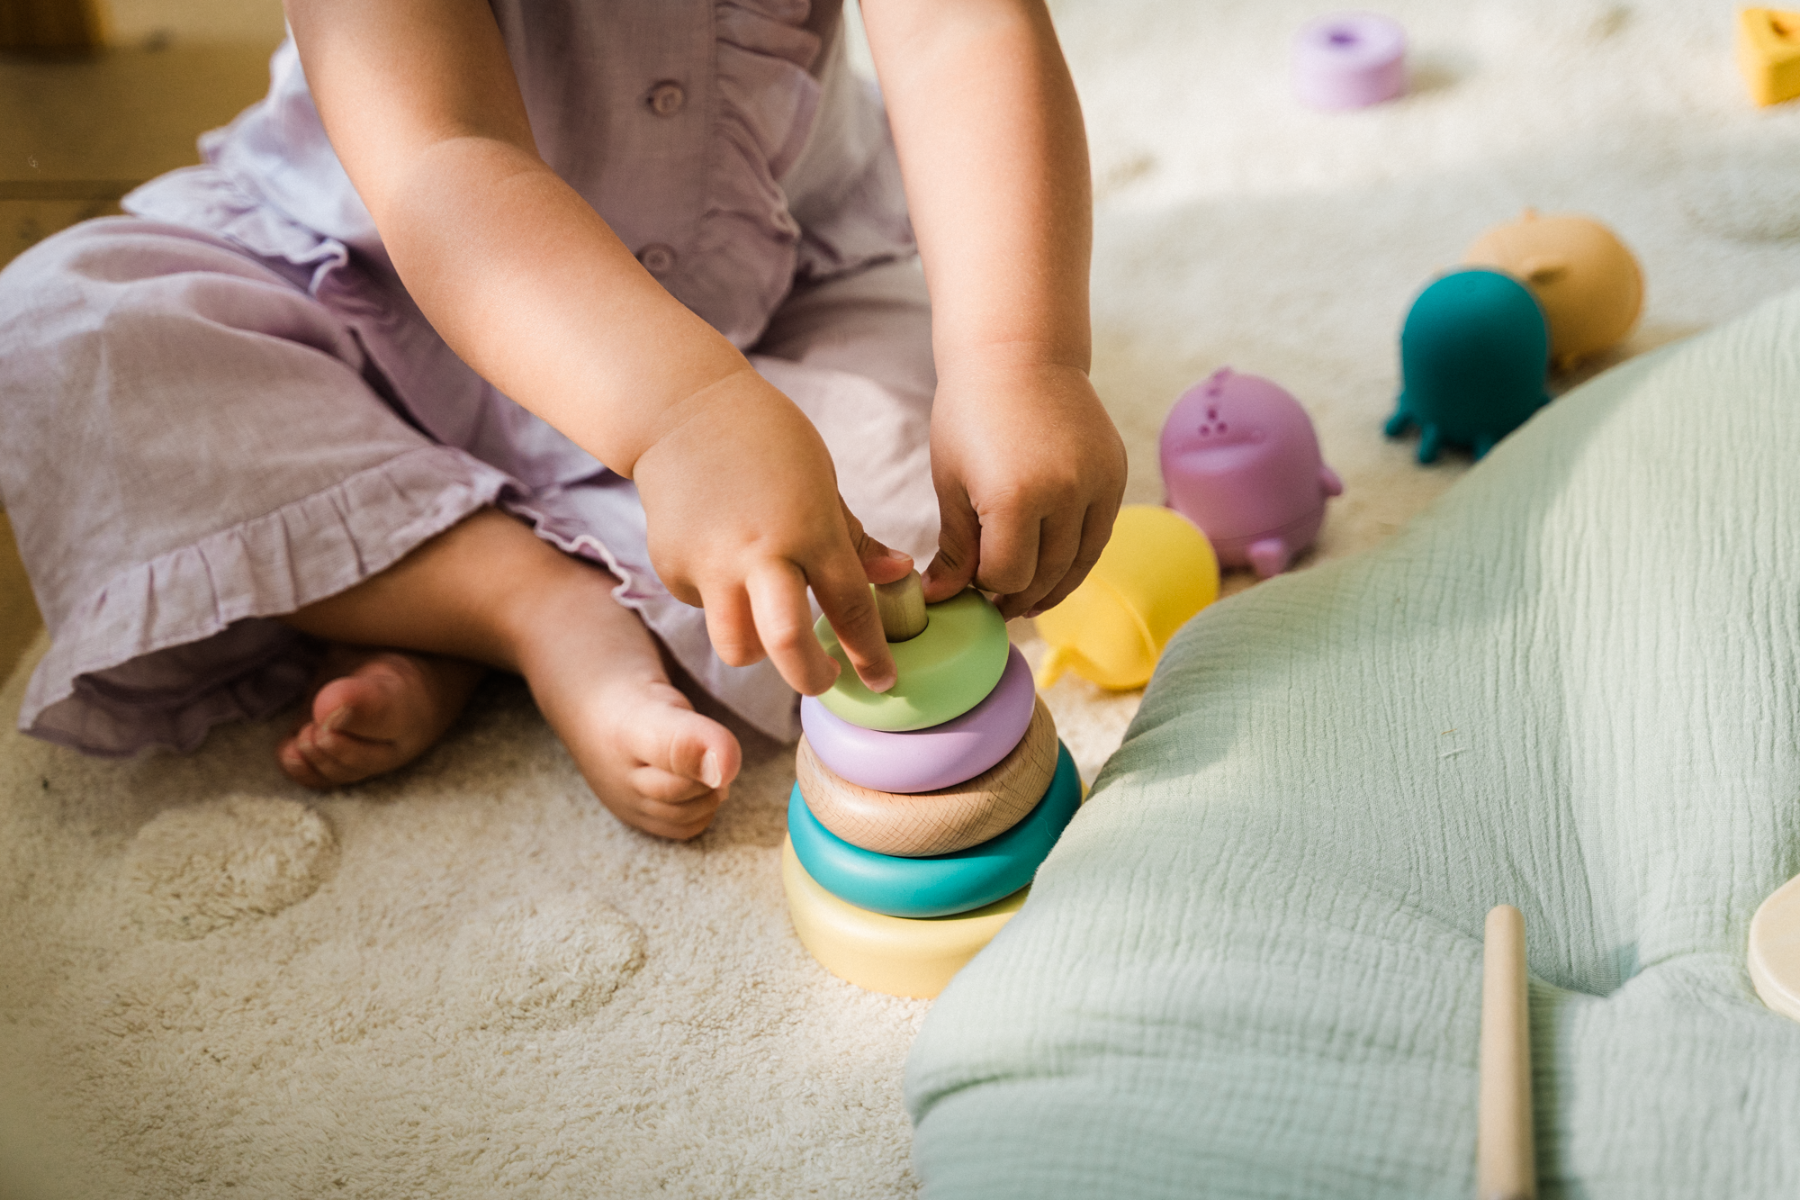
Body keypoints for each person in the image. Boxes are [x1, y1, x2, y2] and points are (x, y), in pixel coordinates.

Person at [0, 0, 1125, 840]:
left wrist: (1017, 359)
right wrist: (686, 419)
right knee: (66, 341)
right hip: (356, 277)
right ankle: (529, 608)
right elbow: (444, 155)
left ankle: (423, 594)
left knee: (901, 529)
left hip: (771, 289)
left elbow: (959, 29)